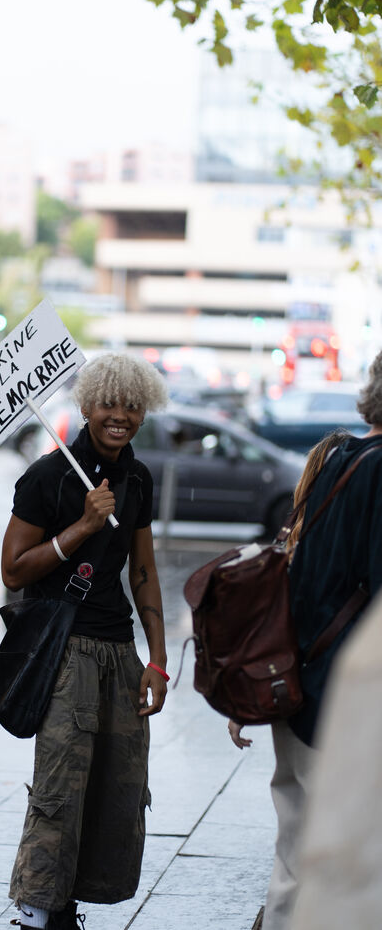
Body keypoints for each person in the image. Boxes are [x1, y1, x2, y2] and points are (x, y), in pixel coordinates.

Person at [1, 353, 169, 930]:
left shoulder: (138, 478)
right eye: (108, 403)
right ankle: (36, 912)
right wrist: (83, 527)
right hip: (64, 651)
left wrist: (157, 660)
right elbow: (13, 570)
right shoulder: (47, 476)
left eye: (132, 406)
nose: (119, 416)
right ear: (88, 406)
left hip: (119, 651)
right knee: (60, 786)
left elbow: (143, 571)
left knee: (117, 785)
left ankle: (68, 904)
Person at [228, 352, 382, 930]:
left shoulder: (337, 458)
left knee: (296, 851)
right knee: (343, 855)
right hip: (345, 698)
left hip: (298, 684)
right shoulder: (379, 470)